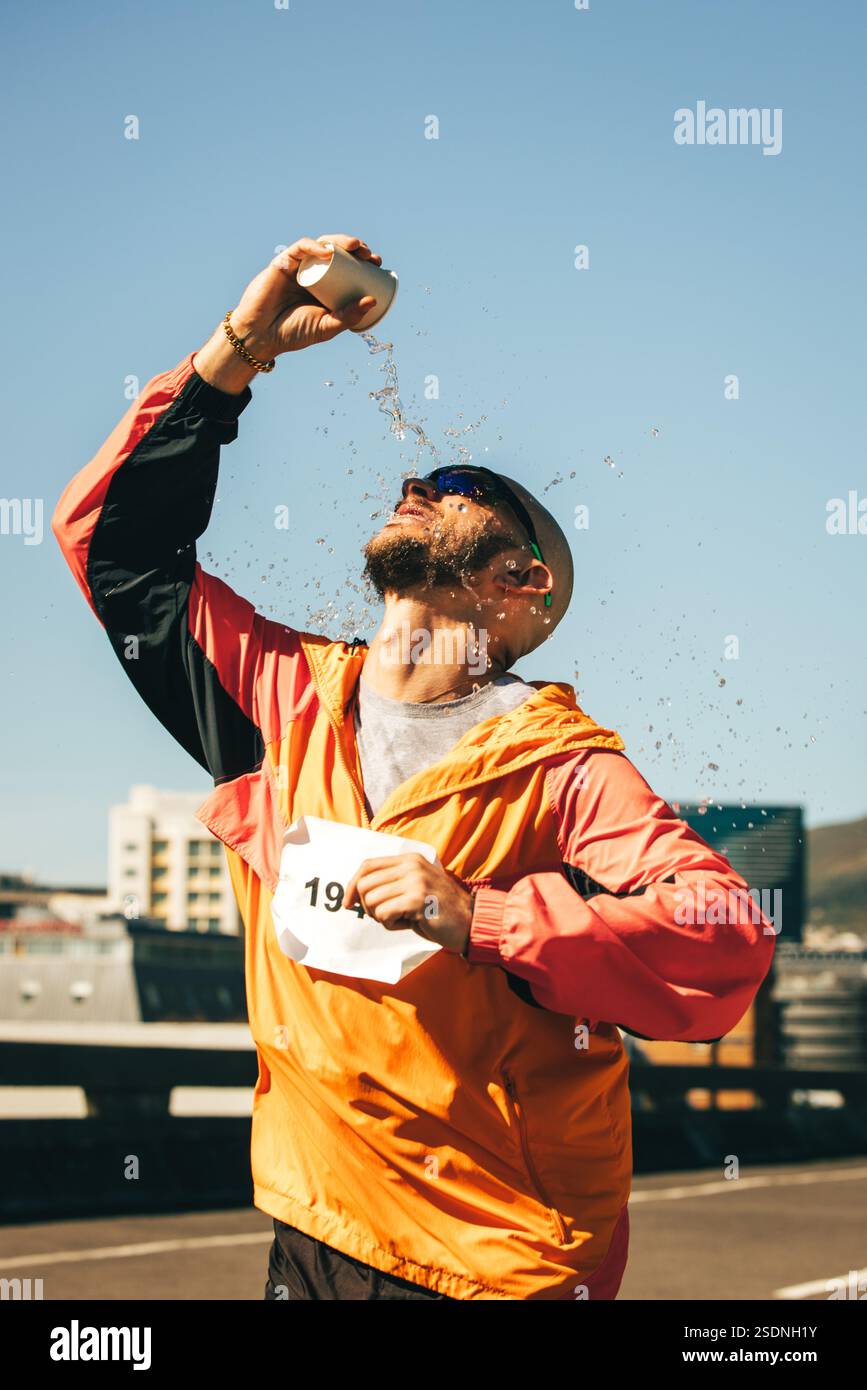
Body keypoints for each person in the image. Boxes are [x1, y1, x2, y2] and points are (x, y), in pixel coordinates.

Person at [52, 233, 776, 1301]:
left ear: (519, 580)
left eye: (456, 486)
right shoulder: (286, 694)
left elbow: (727, 939)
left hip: (498, 1260)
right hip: (312, 1218)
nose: (414, 484)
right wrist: (238, 351)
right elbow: (115, 548)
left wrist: (481, 916)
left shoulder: (561, 766)